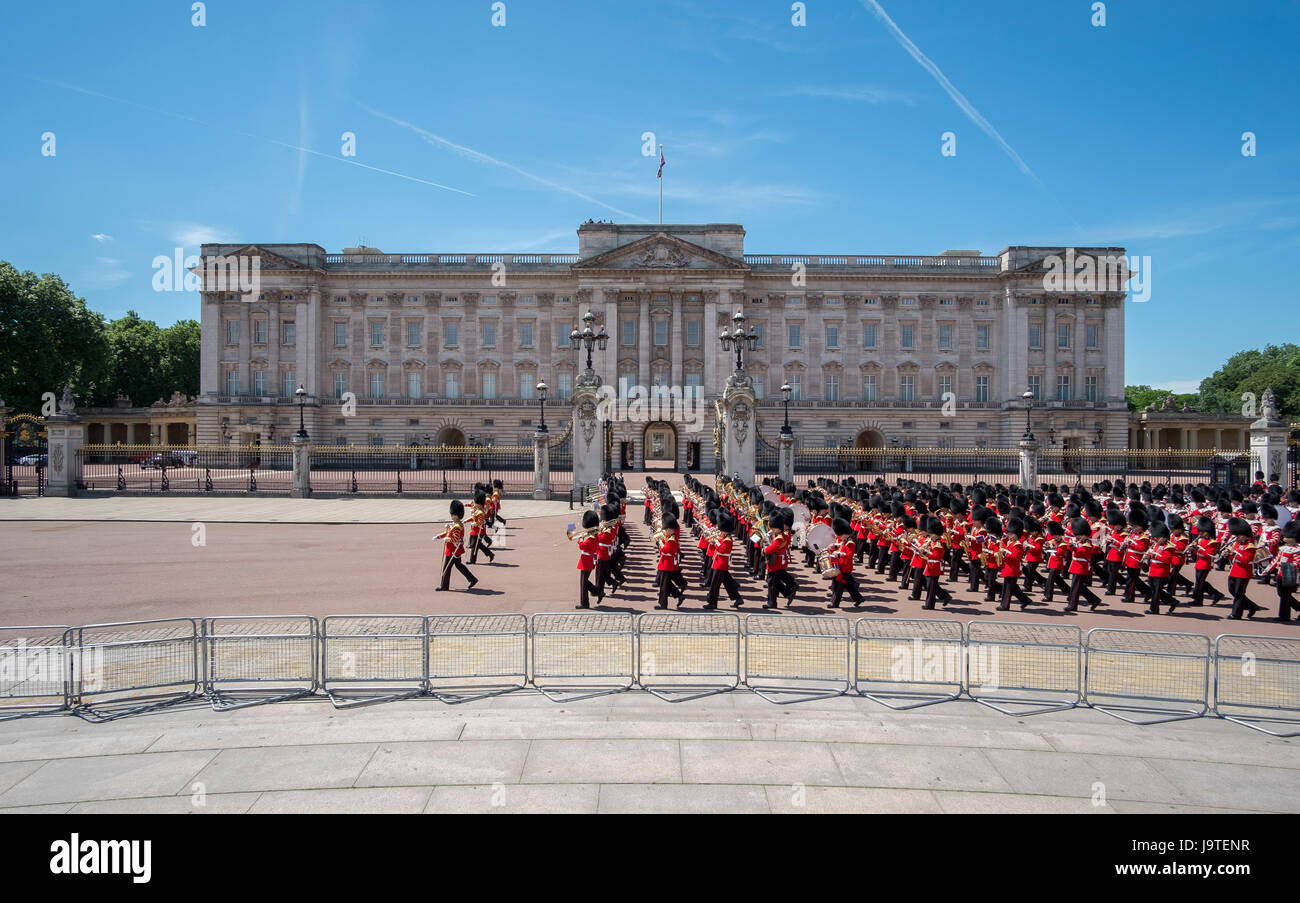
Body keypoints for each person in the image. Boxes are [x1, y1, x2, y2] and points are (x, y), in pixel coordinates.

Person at [1225, 517, 1264, 620]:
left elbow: (1246, 560)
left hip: (1243, 573)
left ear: (1245, 535)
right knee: (1232, 590)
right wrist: (1228, 554)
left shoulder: (1250, 546)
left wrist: (1234, 553)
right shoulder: (1236, 544)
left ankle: (1236, 614)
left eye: (1239, 535)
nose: (1237, 537)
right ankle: (1252, 606)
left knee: (1239, 594)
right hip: (1234, 571)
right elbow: (1233, 557)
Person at [705, 510, 745, 610]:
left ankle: (712, 603)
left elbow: (722, 550)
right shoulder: (723, 537)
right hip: (718, 562)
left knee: (715, 585)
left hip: (721, 564)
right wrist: (713, 541)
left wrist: (716, 542)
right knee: (728, 583)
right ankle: (738, 598)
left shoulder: (728, 539)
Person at [435, 499, 478, 592]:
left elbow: (455, 538)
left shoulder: (457, 526)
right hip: (455, 550)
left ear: (456, 515)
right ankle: (472, 579)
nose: (451, 516)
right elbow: (448, 533)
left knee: (446, 568)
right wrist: (438, 536)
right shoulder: (456, 524)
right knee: (459, 565)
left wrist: (447, 539)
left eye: (452, 515)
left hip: (452, 550)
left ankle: (444, 586)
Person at [1261, 521, 1300, 622]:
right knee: (1282, 594)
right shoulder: (1283, 548)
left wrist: (1284, 566)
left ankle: (1284, 616)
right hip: (1280, 574)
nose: (1284, 537)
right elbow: (1275, 560)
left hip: (1289, 574)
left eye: (1286, 536)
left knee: (1285, 596)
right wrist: (1267, 570)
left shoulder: (1296, 549)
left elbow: (1297, 563)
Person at [1065, 517, 1103, 612]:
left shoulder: (1087, 544)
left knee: (1076, 587)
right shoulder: (1080, 541)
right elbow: (1072, 549)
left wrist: (1074, 547)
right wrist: (1071, 545)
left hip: (1081, 567)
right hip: (1075, 566)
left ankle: (1073, 605)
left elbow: (1080, 552)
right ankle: (1094, 600)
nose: (1078, 536)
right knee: (1079, 586)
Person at [828, 517, 867, 609]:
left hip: (845, 567)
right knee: (848, 585)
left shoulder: (850, 543)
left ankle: (834, 603)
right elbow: (838, 548)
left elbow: (849, 555)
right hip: (841, 565)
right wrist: (833, 547)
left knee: (838, 585)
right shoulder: (843, 541)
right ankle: (859, 598)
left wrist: (839, 554)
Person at [572, 510, 601, 609]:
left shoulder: (591, 538)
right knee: (584, 581)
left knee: (583, 583)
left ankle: (585, 603)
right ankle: (597, 592)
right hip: (587, 560)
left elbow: (582, 546)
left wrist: (580, 539)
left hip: (587, 561)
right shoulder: (593, 535)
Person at [655, 513, 684, 610]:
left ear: (670, 529)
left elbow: (665, 550)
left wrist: (659, 542)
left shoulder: (672, 539)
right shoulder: (669, 538)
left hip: (667, 565)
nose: (665, 531)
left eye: (666, 529)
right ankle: (679, 595)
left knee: (663, 586)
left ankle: (663, 604)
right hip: (665, 563)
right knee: (666, 583)